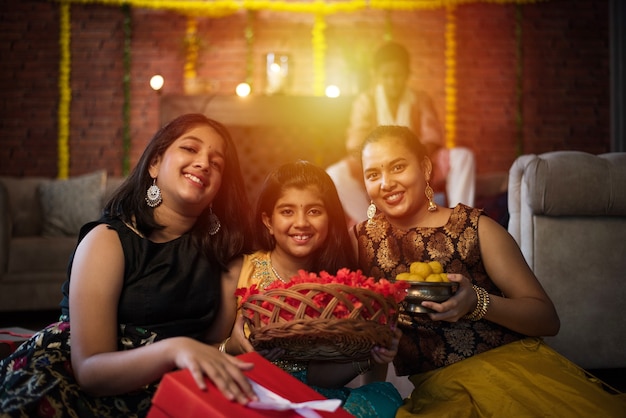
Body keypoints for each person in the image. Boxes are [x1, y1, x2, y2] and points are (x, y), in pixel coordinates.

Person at [352, 125, 626, 417]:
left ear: (425, 167)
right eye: (373, 174)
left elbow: (548, 319)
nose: (386, 183)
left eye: (398, 167)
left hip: (515, 375)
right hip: (443, 394)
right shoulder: (361, 242)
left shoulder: (474, 227)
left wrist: (477, 302)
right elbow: (375, 334)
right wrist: (371, 396)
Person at [0, 114, 259, 417]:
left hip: (171, 384)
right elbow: (90, 371)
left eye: (217, 163)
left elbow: (212, 344)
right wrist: (174, 349)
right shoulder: (107, 241)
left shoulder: (225, 257)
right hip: (74, 381)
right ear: (154, 164)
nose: (204, 163)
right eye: (190, 149)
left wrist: (232, 345)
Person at [220, 160, 404, 418]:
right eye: (287, 211)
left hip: (313, 400)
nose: (301, 223)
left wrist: (372, 354)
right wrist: (231, 348)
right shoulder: (239, 272)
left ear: (330, 218)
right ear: (268, 221)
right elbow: (206, 352)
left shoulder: (341, 288)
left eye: (314, 211)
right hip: (249, 395)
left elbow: (319, 376)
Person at [327, 40, 475, 227]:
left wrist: (411, 160)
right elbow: (355, 142)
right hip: (379, 167)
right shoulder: (365, 101)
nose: (392, 81)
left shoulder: (420, 99)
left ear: (407, 74)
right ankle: (371, 225)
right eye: (386, 76)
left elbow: (433, 136)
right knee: (335, 174)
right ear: (377, 76)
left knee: (463, 157)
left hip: (418, 162)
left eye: (397, 75)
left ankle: (459, 223)